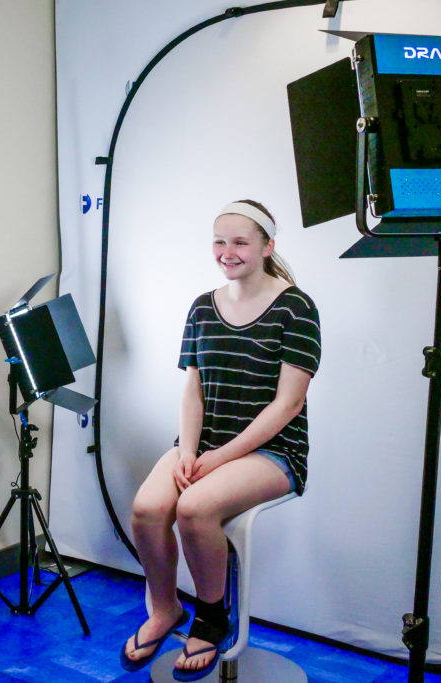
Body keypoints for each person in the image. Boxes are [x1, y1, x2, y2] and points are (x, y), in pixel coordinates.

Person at [119, 200, 321, 681]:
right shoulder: (202, 307)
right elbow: (193, 388)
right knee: (148, 509)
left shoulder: (297, 307)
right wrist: (188, 451)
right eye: (219, 241)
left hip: (272, 453)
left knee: (194, 509)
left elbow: (287, 405)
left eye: (240, 242)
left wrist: (220, 458)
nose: (226, 252)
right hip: (204, 444)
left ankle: (211, 619)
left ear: (268, 247)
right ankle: (164, 610)